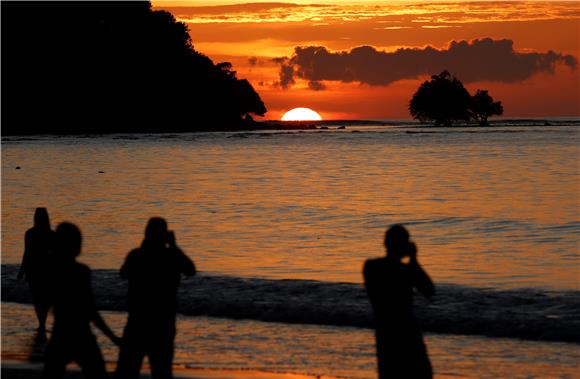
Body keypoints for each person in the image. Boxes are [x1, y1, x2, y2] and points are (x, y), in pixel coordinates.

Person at [115, 217, 196, 379]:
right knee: (161, 373)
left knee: (127, 372)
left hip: (137, 324)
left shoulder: (136, 255)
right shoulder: (171, 257)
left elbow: (124, 273)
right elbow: (190, 270)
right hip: (162, 326)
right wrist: (174, 246)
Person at [42, 222, 121, 379]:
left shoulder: (50, 271)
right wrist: (112, 337)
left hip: (60, 335)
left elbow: (45, 299)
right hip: (81, 335)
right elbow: (90, 311)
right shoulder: (80, 271)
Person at [363, 224, 435, 379]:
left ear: (385, 243)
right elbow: (429, 290)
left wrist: (412, 262)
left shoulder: (371, 267)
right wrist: (414, 260)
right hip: (406, 333)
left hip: (386, 333)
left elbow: (429, 290)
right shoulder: (404, 271)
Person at [17, 207, 56, 335]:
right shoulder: (51, 234)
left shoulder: (30, 233)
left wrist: (21, 271)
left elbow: (26, 253)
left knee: (37, 298)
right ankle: (42, 323)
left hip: (33, 269)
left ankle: (41, 323)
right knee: (44, 298)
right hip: (47, 270)